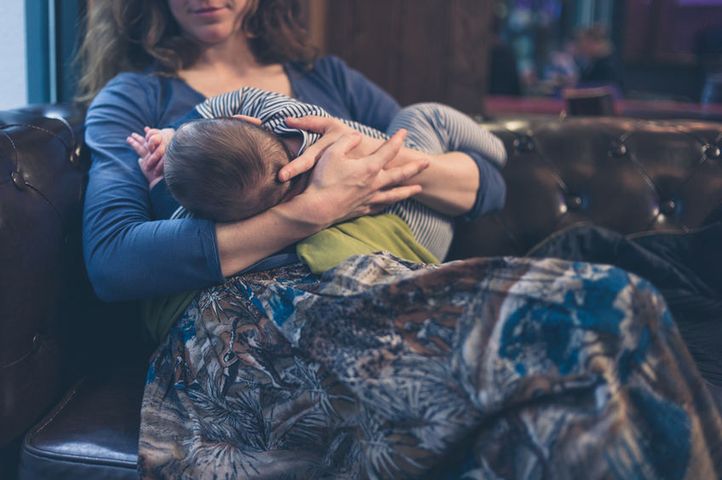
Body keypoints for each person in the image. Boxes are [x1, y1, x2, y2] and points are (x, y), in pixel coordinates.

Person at [79, 1, 722, 478]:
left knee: (561, 415)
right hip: (243, 327)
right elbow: (112, 260)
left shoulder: (328, 82)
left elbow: (488, 185)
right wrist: (319, 205)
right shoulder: (138, 99)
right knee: (610, 306)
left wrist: (378, 162)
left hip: (379, 284)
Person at [126, 86, 507, 265]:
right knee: (425, 116)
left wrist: (159, 183)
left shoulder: (238, 213)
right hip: (410, 216)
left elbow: (173, 222)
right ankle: (503, 147)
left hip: (414, 236)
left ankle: (498, 158)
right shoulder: (297, 124)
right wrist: (178, 133)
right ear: (248, 120)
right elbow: (239, 98)